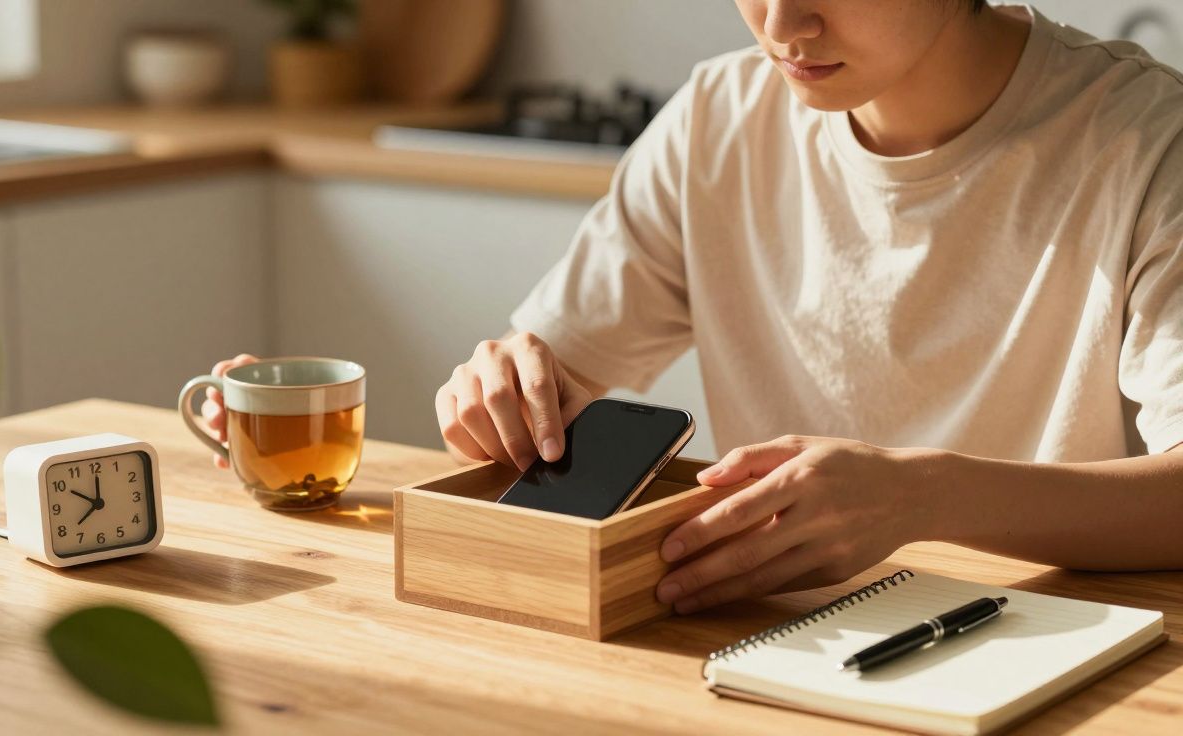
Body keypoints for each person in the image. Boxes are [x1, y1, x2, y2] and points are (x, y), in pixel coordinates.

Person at [208, 1, 1183, 615]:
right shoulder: (720, 116)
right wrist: (502, 392)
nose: (782, 25)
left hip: (1040, 640)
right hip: (768, 636)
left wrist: (925, 498)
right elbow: (557, 377)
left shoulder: (1143, 144)